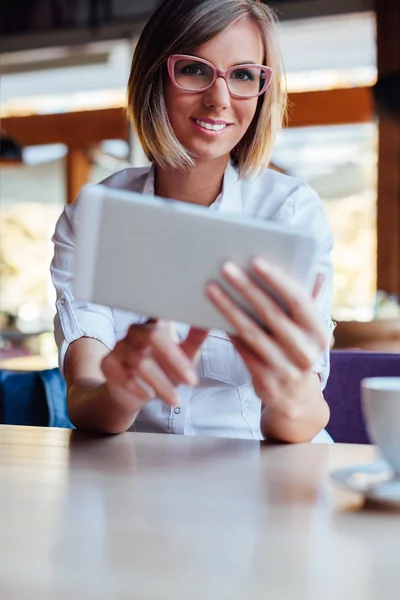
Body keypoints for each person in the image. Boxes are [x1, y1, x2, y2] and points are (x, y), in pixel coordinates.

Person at [51, 0, 335, 442]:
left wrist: (288, 391)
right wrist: (122, 390)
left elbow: (299, 422)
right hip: (137, 483)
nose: (219, 99)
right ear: (154, 76)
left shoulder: (290, 212)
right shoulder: (93, 218)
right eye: (195, 69)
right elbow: (84, 400)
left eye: (243, 75)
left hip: (261, 478)